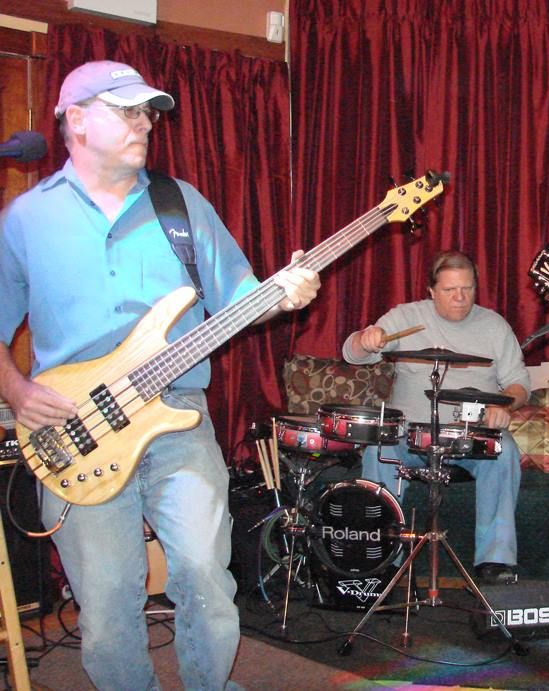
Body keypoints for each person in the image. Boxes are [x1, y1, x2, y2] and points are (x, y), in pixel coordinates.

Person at [0, 60, 321, 690]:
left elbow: (240, 297)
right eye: (127, 110)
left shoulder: (180, 204)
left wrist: (282, 295)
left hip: (178, 416)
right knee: (107, 603)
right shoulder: (26, 219)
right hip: (76, 428)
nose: (145, 122)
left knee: (205, 576)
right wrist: (15, 389)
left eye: (148, 112)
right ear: (76, 120)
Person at [343, 250, 529, 584]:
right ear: (431, 291)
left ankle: (495, 561)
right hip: (410, 436)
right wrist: (365, 340)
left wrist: (505, 406)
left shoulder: (494, 326)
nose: (460, 297)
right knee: (378, 449)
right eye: (450, 290)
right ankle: (383, 557)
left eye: (467, 289)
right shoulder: (406, 317)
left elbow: (519, 384)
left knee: (505, 451)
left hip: (470, 436)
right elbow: (352, 354)